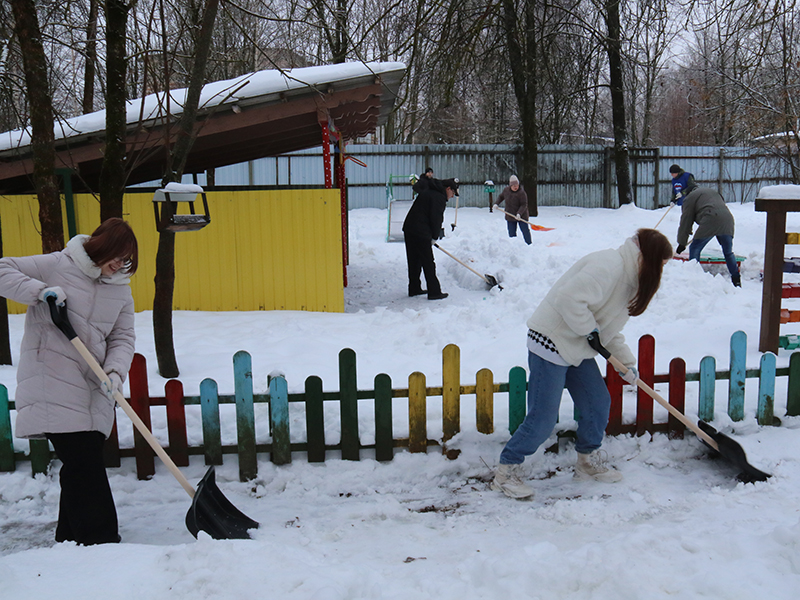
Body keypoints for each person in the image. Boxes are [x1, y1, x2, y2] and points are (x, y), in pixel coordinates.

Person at [492, 228, 673, 499]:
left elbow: (607, 330)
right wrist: (590, 331)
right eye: (661, 263)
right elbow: (569, 298)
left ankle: (586, 462)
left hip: (577, 344)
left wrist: (626, 363)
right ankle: (506, 472)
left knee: (597, 403)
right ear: (647, 256)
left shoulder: (630, 279)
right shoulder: (609, 266)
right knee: (542, 418)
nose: (661, 270)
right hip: (551, 341)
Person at [0, 218, 138, 544]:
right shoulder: (58, 265)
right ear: (100, 246)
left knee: (81, 463)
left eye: (126, 258)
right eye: (116, 255)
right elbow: (2, 269)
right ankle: (101, 538)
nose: (119, 263)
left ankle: (70, 538)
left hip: (94, 387)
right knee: (83, 461)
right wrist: (40, 292)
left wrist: (116, 372)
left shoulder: (120, 290)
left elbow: (123, 337)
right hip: (52, 380)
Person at [402, 178, 459, 300]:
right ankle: (434, 292)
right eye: (453, 193)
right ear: (448, 189)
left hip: (410, 228)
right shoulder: (438, 197)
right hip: (420, 230)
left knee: (414, 260)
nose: (452, 196)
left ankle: (414, 288)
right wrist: (434, 236)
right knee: (428, 262)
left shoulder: (430, 191)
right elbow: (436, 219)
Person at [676, 187, 741, 287]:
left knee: (695, 248)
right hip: (728, 219)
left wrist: (682, 243)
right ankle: (736, 280)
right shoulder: (710, 191)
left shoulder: (690, 198)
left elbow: (686, 221)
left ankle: (693, 277)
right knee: (728, 252)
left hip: (710, 218)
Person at [495, 175, 531, 245]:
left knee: (525, 231)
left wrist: (519, 214)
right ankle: (513, 247)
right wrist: (496, 204)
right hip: (510, 215)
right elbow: (501, 197)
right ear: (510, 185)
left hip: (521, 216)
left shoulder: (522, 193)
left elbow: (524, 205)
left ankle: (529, 244)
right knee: (511, 233)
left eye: (517, 185)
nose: (515, 187)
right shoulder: (506, 191)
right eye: (513, 185)